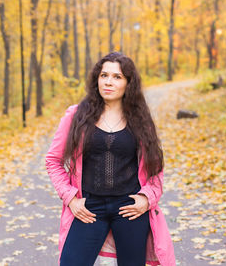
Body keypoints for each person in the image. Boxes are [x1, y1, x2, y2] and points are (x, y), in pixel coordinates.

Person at [45, 52, 175, 266]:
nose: (108, 82)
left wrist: (147, 198)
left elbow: (155, 167)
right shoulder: (77, 115)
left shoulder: (141, 120)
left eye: (117, 77)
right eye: (104, 75)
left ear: (128, 83)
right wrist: (70, 198)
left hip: (130, 208)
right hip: (88, 207)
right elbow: (53, 160)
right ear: (97, 79)